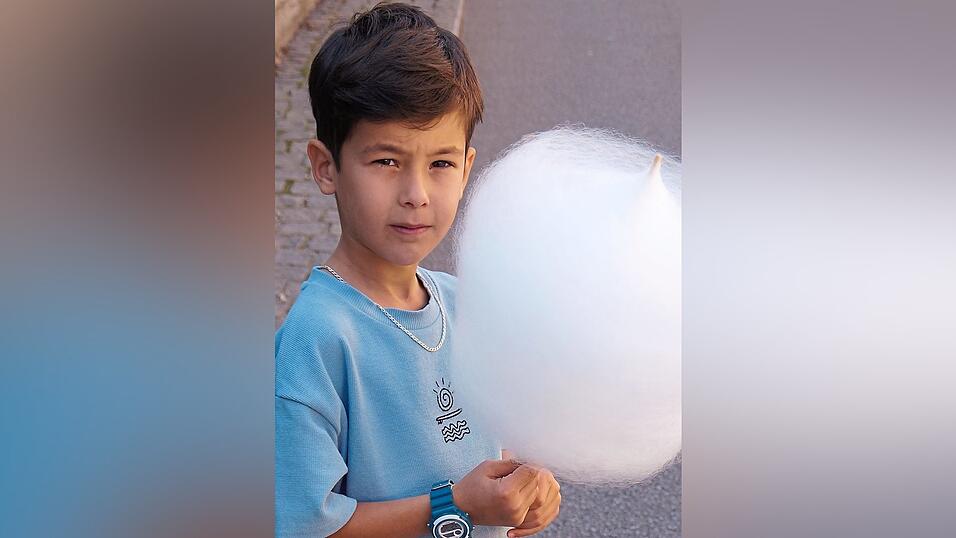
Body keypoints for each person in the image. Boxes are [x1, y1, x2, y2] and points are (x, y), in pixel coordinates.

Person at [275, 3, 561, 537]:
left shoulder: (461, 303)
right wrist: (455, 506)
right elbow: (304, 525)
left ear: (467, 167)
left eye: (440, 164)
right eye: (386, 161)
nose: (416, 195)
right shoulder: (315, 342)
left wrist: (525, 490)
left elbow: (479, 446)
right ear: (325, 166)